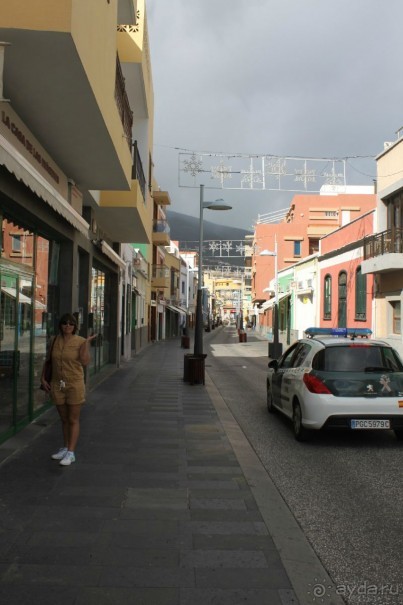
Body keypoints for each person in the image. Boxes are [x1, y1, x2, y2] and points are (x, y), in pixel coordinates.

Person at [40, 313, 97, 466]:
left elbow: (85, 362)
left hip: (74, 384)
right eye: (64, 323)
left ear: (75, 326)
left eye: (71, 324)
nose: (67, 326)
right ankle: (65, 448)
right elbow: (48, 360)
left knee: (73, 419)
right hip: (57, 384)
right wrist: (43, 378)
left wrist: (85, 345)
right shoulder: (54, 340)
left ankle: (71, 453)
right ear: (60, 325)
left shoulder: (80, 341)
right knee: (64, 419)